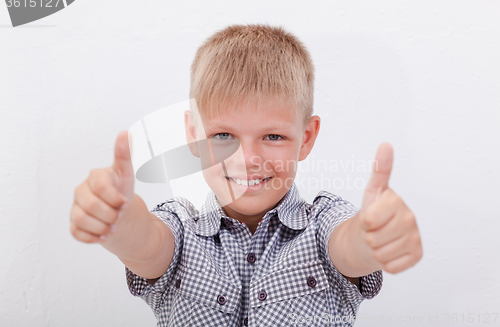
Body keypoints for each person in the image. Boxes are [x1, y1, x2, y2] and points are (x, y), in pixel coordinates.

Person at [70, 24, 422, 326]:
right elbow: (145, 243)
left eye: (273, 136)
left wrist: (373, 235)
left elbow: (350, 245)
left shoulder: (323, 224)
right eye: (223, 136)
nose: (248, 159)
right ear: (194, 135)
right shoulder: (178, 229)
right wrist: (118, 218)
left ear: (307, 138)